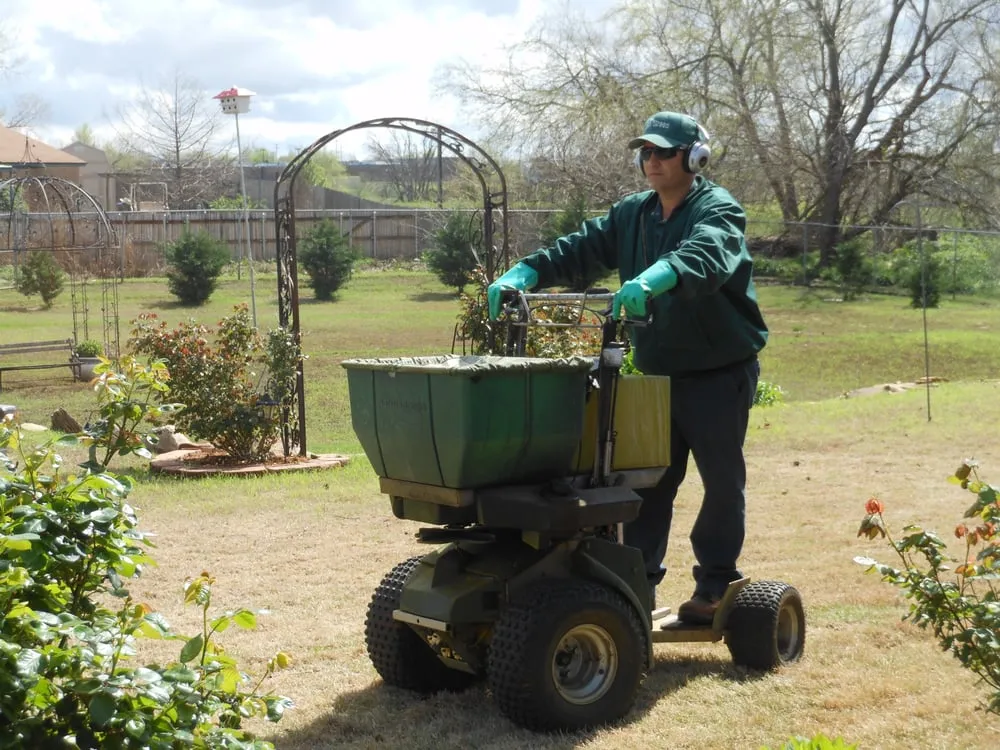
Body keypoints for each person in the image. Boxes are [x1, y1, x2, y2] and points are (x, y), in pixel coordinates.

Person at [487, 111, 768, 624]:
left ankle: (714, 586)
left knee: (721, 482)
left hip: (717, 372)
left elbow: (705, 255)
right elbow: (581, 248)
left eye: (663, 151)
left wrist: (657, 277)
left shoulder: (717, 209)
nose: (652, 161)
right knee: (647, 483)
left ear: (694, 156)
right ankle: (636, 585)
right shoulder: (632, 214)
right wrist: (526, 272)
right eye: (646, 152)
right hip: (657, 372)